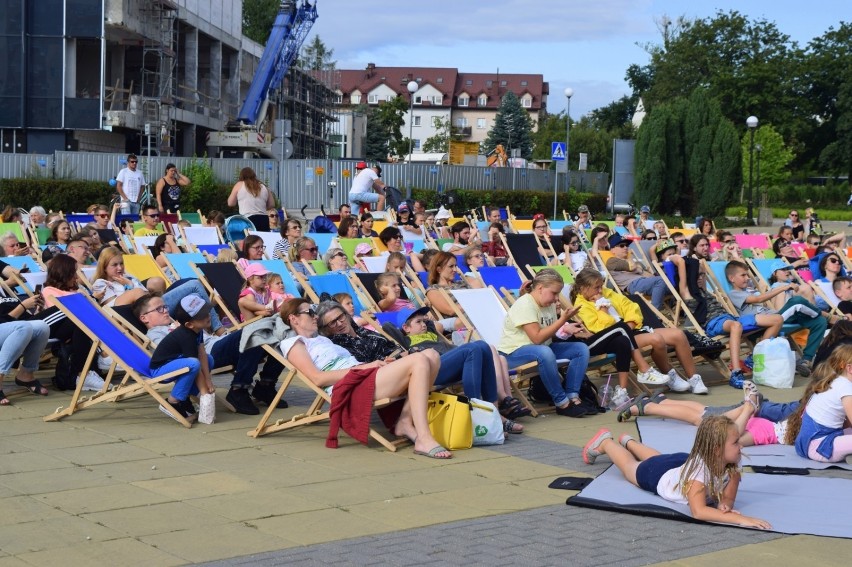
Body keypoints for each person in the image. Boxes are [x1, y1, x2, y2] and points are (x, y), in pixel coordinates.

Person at [279, 298, 450, 458]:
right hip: (350, 388)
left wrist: (380, 364)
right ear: (294, 319)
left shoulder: (324, 341)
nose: (315, 316)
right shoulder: (294, 343)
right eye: (309, 312)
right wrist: (366, 366)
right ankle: (423, 437)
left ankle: (405, 421)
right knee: (419, 360)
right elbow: (318, 379)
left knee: (431, 355)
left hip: (363, 376)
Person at [582, 416, 771, 530]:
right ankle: (607, 442)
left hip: (680, 463)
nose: (741, 445)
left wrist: (725, 505)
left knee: (659, 459)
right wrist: (739, 519)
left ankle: (630, 442)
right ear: (716, 449)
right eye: (735, 442)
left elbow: (728, 499)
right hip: (660, 475)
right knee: (630, 467)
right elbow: (698, 512)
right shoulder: (698, 475)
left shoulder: (731, 466)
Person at [136, 293, 285, 415]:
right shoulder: (156, 333)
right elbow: (181, 356)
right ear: (144, 318)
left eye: (165, 306)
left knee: (275, 332)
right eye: (159, 309)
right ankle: (238, 390)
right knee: (252, 331)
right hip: (211, 352)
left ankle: (266, 384)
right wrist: (204, 388)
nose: (166, 311)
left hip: (215, 346)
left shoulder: (186, 324)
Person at [570, 269, 703, 399]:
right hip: (618, 338)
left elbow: (630, 306)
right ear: (583, 288)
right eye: (596, 287)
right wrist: (602, 307)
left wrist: (631, 323)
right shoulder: (581, 306)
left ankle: (694, 379)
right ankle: (670, 375)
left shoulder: (606, 292)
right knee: (656, 339)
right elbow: (601, 328)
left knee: (678, 334)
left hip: (632, 328)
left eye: (601, 286)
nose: (600, 290)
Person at [497, 269, 592, 417]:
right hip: (512, 353)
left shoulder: (548, 304)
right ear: (540, 288)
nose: (556, 298)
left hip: (541, 349)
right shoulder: (525, 304)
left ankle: (573, 396)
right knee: (544, 352)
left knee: (580, 349)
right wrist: (562, 320)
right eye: (554, 293)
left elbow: (549, 334)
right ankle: (562, 403)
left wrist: (566, 330)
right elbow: (537, 338)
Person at [725, 260, 827, 378]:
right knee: (796, 302)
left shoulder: (749, 291)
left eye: (747, 275)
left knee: (819, 322)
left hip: (776, 317)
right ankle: (829, 316)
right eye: (743, 275)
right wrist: (785, 287)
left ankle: (806, 360)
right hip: (766, 323)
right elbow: (759, 300)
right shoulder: (734, 293)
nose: (747, 278)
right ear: (732, 278)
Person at [792, 345, 852, 463]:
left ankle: (845, 451)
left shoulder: (836, 381)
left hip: (807, 443)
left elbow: (846, 423)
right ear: (849, 368)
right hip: (820, 446)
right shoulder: (846, 388)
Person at [605, 233, 670, 309]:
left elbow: (648, 274)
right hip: (633, 284)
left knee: (671, 281)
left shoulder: (635, 262)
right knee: (661, 280)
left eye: (627, 245)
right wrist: (629, 257)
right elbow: (632, 267)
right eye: (622, 246)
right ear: (612, 250)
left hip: (646, 283)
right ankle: (655, 312)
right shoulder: (612, 261)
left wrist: (640, 270)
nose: (625, 248)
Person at [227, 167, 275, 232]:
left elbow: (231, 203)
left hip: (248, 219)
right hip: (263, 218)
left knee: (250, 241)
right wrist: (261, 208)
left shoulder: (239, 184)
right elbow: (272, 204)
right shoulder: (263, 186)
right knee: (263, 240)